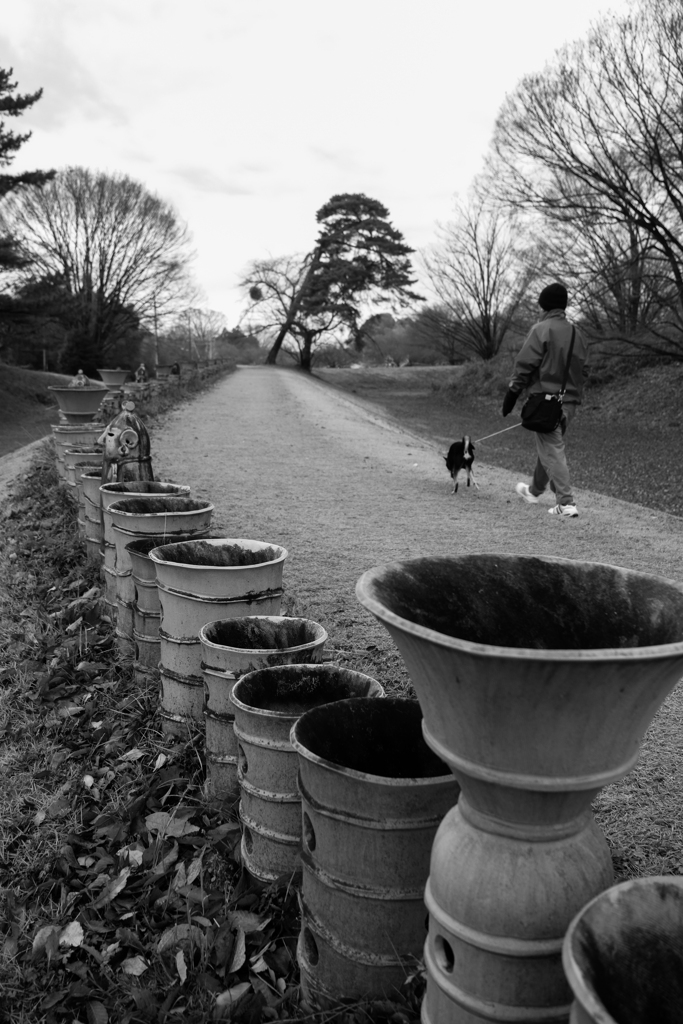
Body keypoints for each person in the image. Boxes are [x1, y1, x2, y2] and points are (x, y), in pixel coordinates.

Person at [501, 283, 589, 518]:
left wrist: (512, 393)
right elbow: (584, 371)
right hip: (569, 404)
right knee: (549, 445)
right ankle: (534, 490)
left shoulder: (541, 329)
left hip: (545, 401)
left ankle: (566, 502)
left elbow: (525, 364)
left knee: (552, 449)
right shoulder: (577, 334)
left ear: (544, 305)